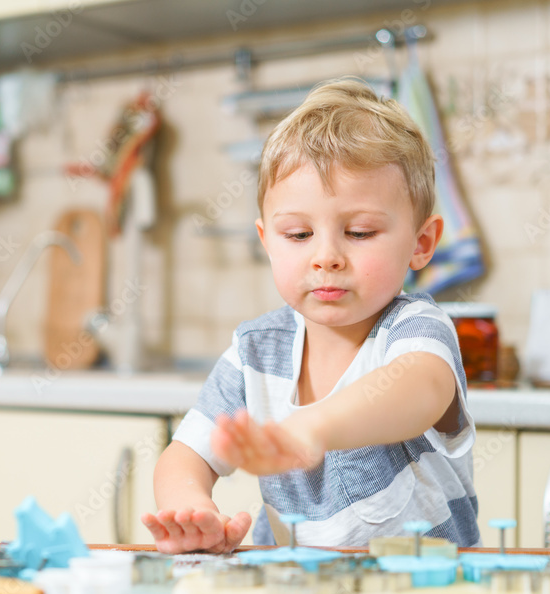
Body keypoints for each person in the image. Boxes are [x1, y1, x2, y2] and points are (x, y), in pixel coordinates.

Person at [141, 77, 480, 554]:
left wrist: (310, 429)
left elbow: (419, 388)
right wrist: (192, 509)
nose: (326, 257)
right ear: (267, 241)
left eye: (359, 232)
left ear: (421, 243)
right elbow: (185, 455)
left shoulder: (415, 329)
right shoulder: (255, 350)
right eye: (298, 235)